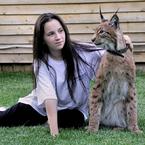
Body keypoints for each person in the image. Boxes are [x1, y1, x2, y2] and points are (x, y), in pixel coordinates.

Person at [0, 13, 132, 137]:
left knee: (75, 121)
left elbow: (115, 48)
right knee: (4, 119)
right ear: (42, 39)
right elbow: (49, 98)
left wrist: (125, 38)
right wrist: (54, 133)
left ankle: (48, 120)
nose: (58, 37)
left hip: (72, 110)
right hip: (38, 107)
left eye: (60, 31)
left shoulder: (84, 52)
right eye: (51, 34)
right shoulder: (41, 62)